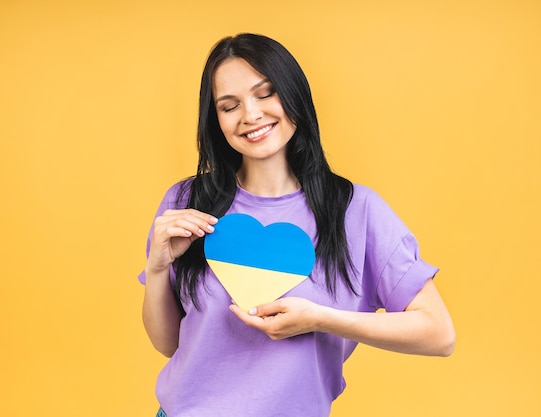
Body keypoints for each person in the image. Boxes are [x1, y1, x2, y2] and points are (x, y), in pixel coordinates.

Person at [139, 33, 455, 417]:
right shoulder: (187, 203)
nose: (250, 115)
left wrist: (321, 319)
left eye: (265, 93)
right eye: (229, 105)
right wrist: (157, 268)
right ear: (216, 119)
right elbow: (168, 343)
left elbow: (439, 334)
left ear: (294, 95)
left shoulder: (356, 211)